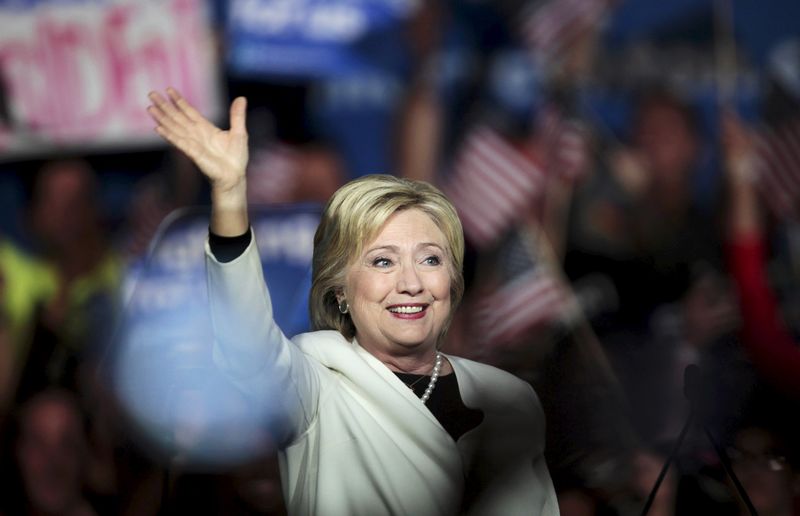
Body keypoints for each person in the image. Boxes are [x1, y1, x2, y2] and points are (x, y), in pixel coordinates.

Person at [146, 87, 558, 515]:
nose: (411, 283)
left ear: (451, 281)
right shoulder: (318, 381)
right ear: (340, 289)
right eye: (383, 262)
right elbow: (247, 343)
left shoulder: (512, 400)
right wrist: (230, 195)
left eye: (430, 259)